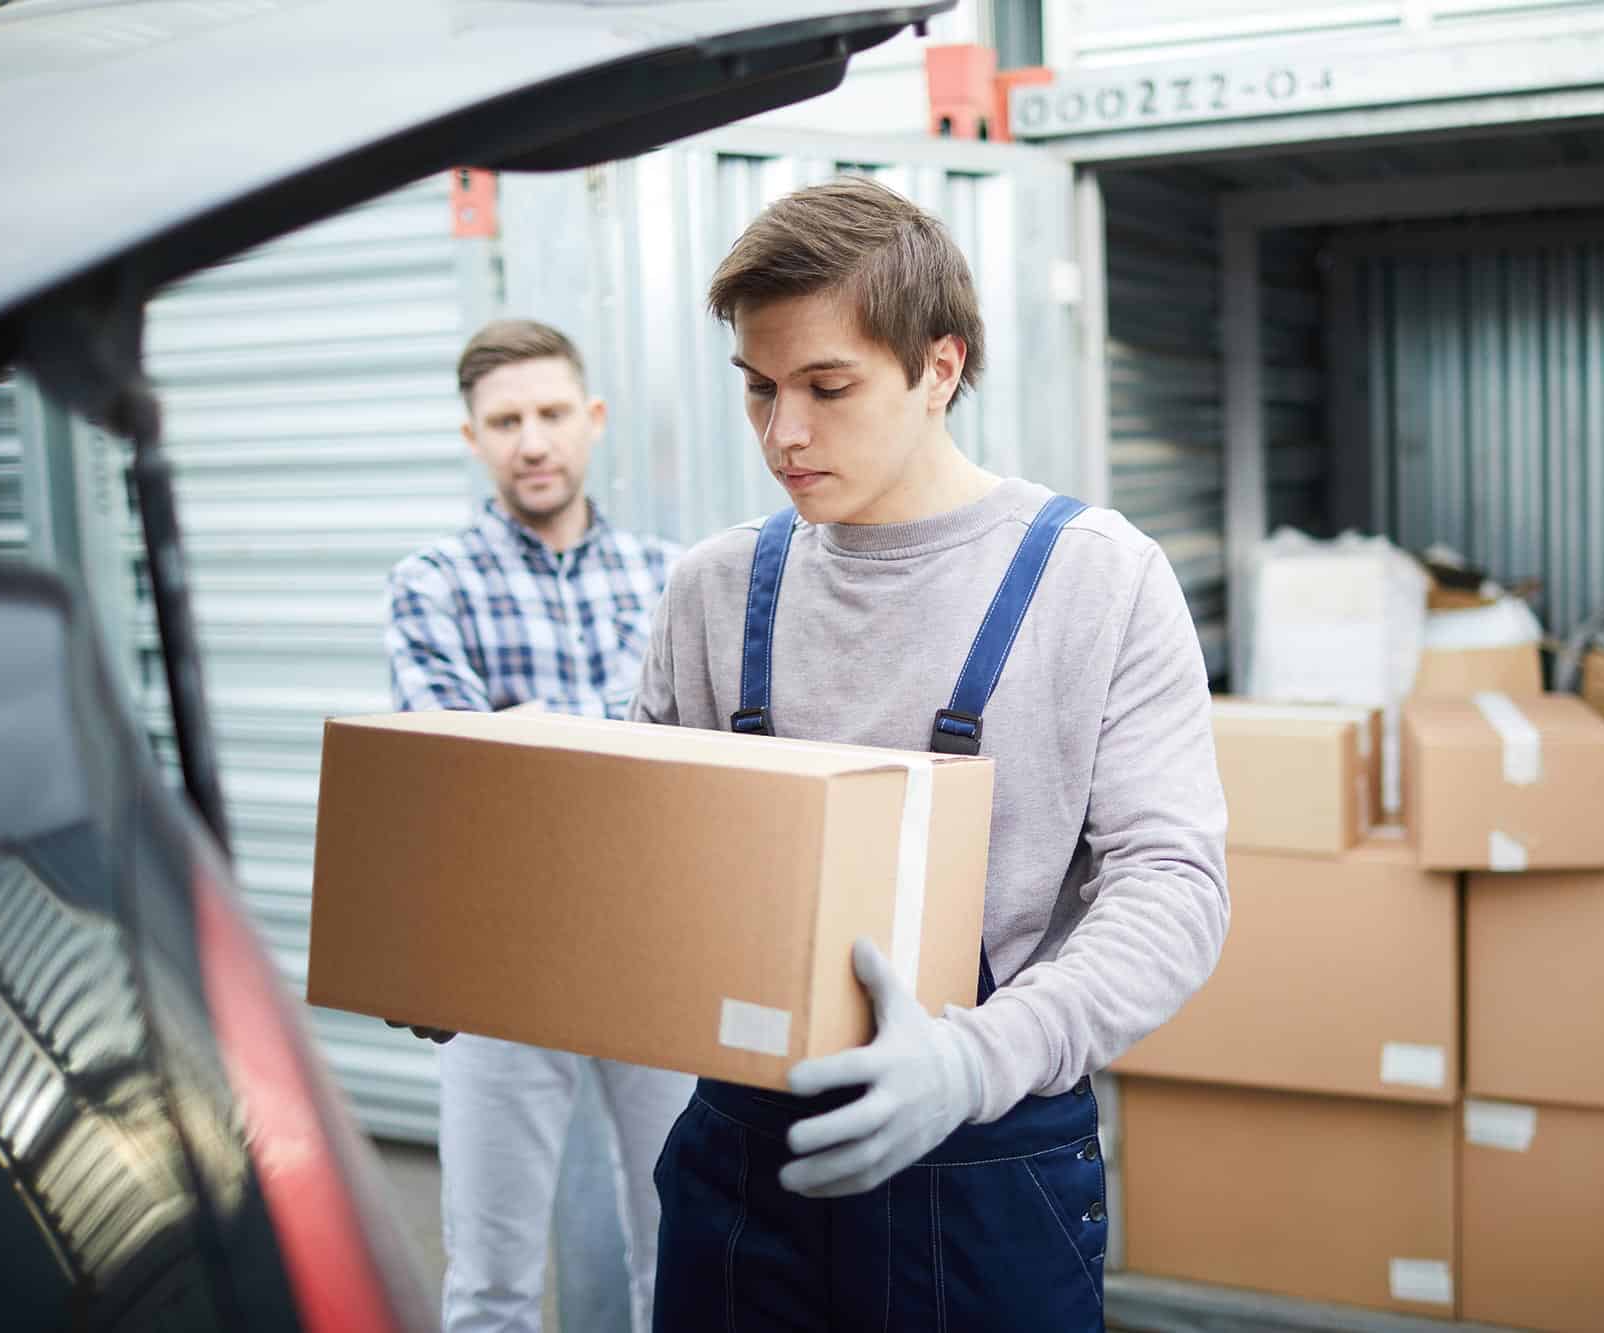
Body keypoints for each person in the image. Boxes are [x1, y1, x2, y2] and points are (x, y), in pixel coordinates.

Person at [629, 177, 1230, 1330]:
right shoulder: (712, 591)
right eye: (757, 389)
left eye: (827, 386)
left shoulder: (1095, 578)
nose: (781, 433)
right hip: (744, 1171)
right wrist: (501, 955)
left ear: (939, 368)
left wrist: (974, 1059)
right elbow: (653, 865)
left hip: (986, 1167)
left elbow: (1173, 886)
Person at [385, 318, 695, 1333]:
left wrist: (525, 735)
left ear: (592, 420)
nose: (532, 439)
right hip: (496, 958)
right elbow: (458, 768)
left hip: (653, 947)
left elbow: (683, 744)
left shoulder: (671, 577)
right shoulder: (431, 583)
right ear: (470, 437)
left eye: (552, 413)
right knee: (489, 1277)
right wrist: (600, 735)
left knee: (682, 1243)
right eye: (504, 419)